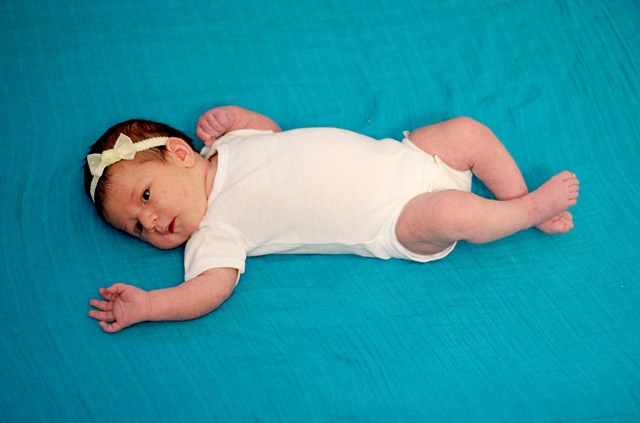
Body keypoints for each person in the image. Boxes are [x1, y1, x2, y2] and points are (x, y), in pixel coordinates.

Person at [85, 106, 579, 333]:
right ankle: (526, 211)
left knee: (466, 132)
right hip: (397, 220)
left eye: (145, 197)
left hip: (408, 159)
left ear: (180, 153)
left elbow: (274, 135)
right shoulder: (213, 233)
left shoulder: (229, 146)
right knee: (452, 213)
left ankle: (518, 194)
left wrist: (237, 118)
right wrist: (151, 304)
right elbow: (209, 290)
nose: (152, 220)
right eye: (137, 227)